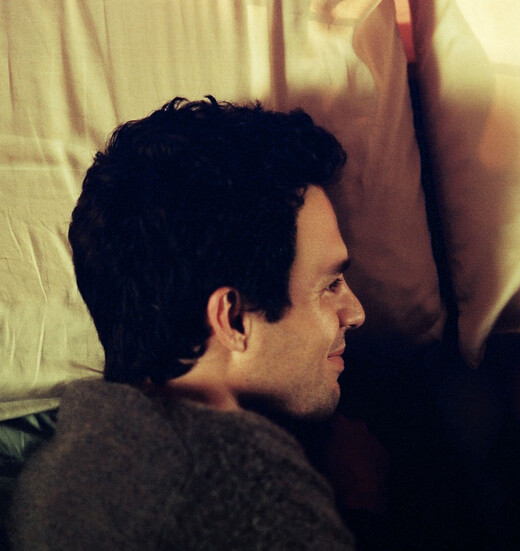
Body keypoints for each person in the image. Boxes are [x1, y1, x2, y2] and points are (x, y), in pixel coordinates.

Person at [8, 97, 383, 550]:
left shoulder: (55, 473)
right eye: (331, 285)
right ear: (232, 319)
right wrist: (361, 507)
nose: (356, 313)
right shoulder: (249, 493)